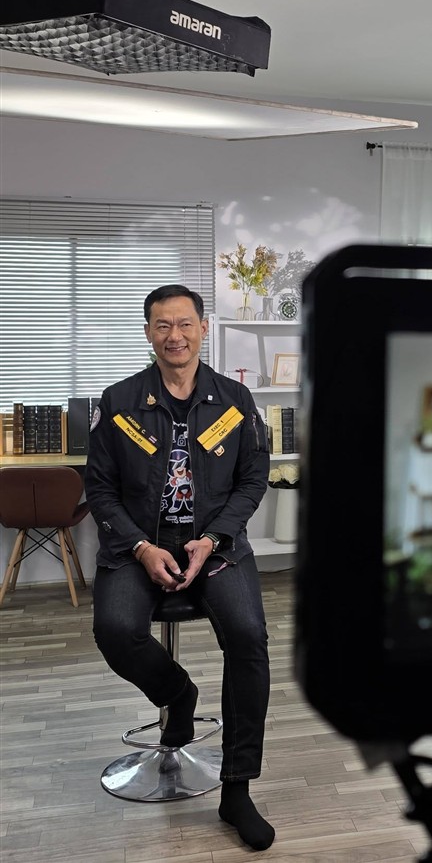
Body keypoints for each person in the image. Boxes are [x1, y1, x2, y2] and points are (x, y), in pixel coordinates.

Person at [85, 284, 274, 851]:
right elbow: (100, 488)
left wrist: (213, 538)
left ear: (203, 328)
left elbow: (253, 478)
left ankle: (237, 788)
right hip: (137, 545)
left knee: (249, 637)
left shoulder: (235, 400)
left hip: (216, 546)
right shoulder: (119, 401)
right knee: (115, 629)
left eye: (185, 324)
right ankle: (178, 692)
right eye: (163, 325)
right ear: (148, 332)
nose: (175, 335)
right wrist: (142, 547)